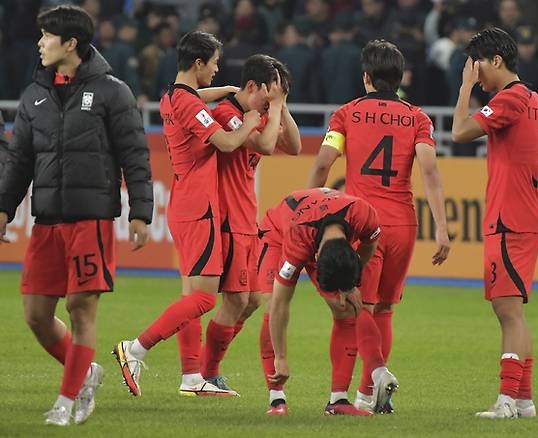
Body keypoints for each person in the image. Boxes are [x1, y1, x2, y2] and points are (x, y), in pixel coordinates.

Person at [0, 5, 153, 426]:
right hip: (47, 221)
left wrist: (141, 211)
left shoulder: (112, 91)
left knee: (80, 308)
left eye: (47, 36)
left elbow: (135, 154)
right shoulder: (33, 95)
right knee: (35, 314)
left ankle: (68, 402)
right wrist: (3, 206)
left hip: (93, 220)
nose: (40, 43)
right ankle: (85, 371)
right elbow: (18, 160)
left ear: (71, 44)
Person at [112, 31, 261, 398]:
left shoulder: (171, 96)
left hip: (185, 201)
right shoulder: (189, 105)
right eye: (213, 63)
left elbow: (196, 97)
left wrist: (225, 89)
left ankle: (192, 378)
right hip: (199, 206)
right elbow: (226, 142)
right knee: (206, 298)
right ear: (198, 64)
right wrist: (252, 121)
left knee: (189, 293)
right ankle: (134, 349)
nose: (216, 69)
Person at [307, 39, 451, 413]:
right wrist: (442, 228)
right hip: (403, 223)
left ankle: (340, 396)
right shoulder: (418, 118)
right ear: (400, 78)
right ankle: (369, 397)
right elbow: (430, 170)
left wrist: (309, 210)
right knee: (384, 309)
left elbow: (324, 164)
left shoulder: (347, 114)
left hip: (362, 223)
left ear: (366, 77)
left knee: (355, 310)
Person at [177, 54, 302, 396]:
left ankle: (204, 371)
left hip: (246, 217)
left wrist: (282, 105)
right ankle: (202, 372)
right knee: (226, 299)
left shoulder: (257, 114)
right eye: (269, 94)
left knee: (251, 300)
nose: (271, 102)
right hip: (224, 217)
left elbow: (294, 146)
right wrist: (272, 110)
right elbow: (263, 144)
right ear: (252, 87)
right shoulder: (227, 115)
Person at [451, 27, 538, 419]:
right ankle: (523, 399)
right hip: (520, 215)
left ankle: (506, 399)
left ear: (495, 61)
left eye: (477, 68)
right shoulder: (533, 99)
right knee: (514, 311)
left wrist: (464, 88)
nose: (478, 77)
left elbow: (458, 132)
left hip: (509, 218)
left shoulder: (509, 99)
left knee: (507, 311)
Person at [263, 188, 398, 416]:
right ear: (315, 258)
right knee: (269, 302)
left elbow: (369, 246)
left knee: (344, 309)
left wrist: (350, 285)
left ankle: (338, 402)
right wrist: (281, 357)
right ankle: (276, 399)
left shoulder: (365, 215)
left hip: (318, 226)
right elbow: (280, 304)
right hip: (278, 231)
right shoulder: (297, 243)